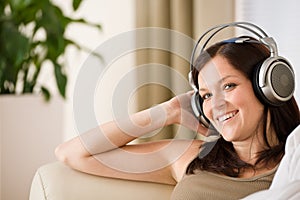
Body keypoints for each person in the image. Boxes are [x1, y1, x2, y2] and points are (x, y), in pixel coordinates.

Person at [55, 23, 300, 199]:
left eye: (228, 86)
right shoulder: (190, 156)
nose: (215, 105)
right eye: (205, 96)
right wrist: (168, 111)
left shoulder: (292, 167)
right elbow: (73, 154)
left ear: (270, 86)